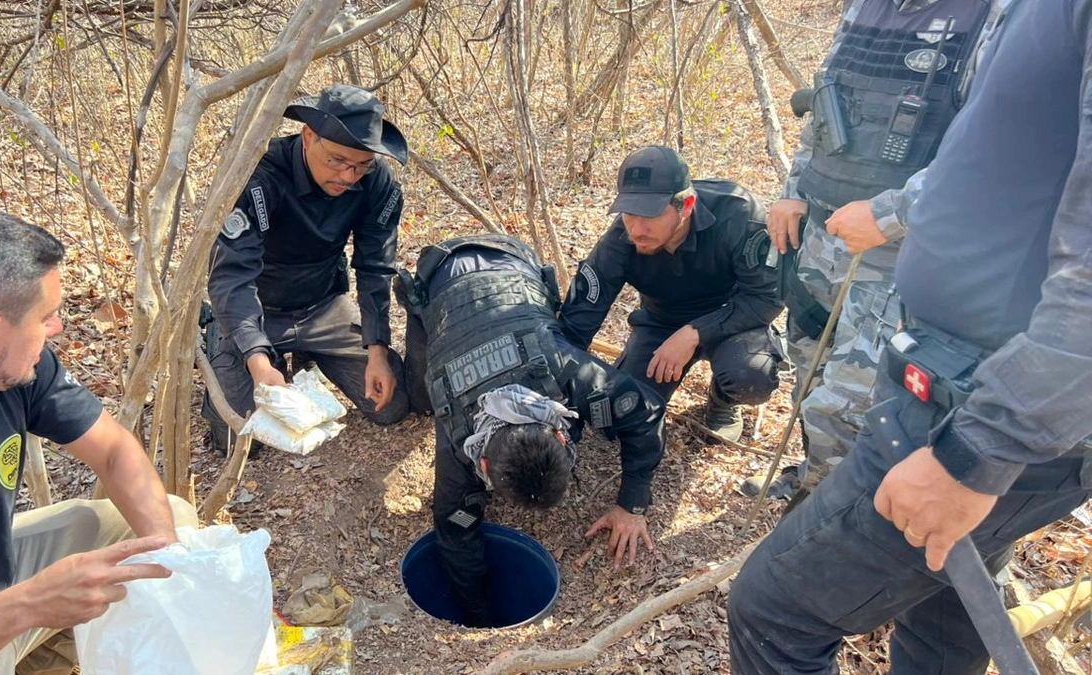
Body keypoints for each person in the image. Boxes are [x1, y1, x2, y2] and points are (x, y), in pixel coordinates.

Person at [729, 2, 1092, 672]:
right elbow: (984, 156)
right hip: (949, 364)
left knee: (773, 611)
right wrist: (795, 189)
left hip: (988, 399)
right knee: (944, 612)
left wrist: (979, 450)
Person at [0, 202, 198, 675]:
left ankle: (49, 650)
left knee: (164, 528)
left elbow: (115, 452)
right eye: (47, 316)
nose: (57, 328)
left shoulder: (15, 371)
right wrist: (30, 606)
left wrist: (170, 556)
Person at [744, 0, 997, 499]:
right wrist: (794, 189)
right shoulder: (865, 9)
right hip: (821, 236)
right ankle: (815, 479)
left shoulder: (991, 17)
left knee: (847, 402)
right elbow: (826, 104)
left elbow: (994, 152)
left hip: (901, 256)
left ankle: (829, 513)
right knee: (809, 374)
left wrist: (887, 217)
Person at [397, 234, 666, 627]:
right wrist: (477, 615)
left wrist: (632, 503)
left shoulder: (564, 369)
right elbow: (454, 530)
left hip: (513, 264)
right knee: (420, 400)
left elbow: (646, 414)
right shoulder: (453, 416)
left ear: (560, 432)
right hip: (439, 278)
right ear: (481, 461)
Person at [203, 83, 410, 451]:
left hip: (322, 306)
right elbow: (232, 276)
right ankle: (232, 348)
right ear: (308, 135)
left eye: (360, 166)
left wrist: (377, 347)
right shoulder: (259, 178)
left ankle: (310, 355)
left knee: (391, 405)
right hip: (258, 311)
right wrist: (257, 357)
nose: (348, 177)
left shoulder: (376, 180)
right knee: (242, 439)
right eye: (337, 161)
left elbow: (376, 265)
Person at [559, 145, 782, 443]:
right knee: (620, 412)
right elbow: (577, 322)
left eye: (650, 215)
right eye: (629, 213)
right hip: (661, 322)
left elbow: (767, 297)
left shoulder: (738, 213)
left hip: (731, 317)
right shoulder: (620, 240)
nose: (636, 229)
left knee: (751, 377)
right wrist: (554, 393)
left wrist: (695, 333)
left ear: (686, 204)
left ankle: (723, 401)